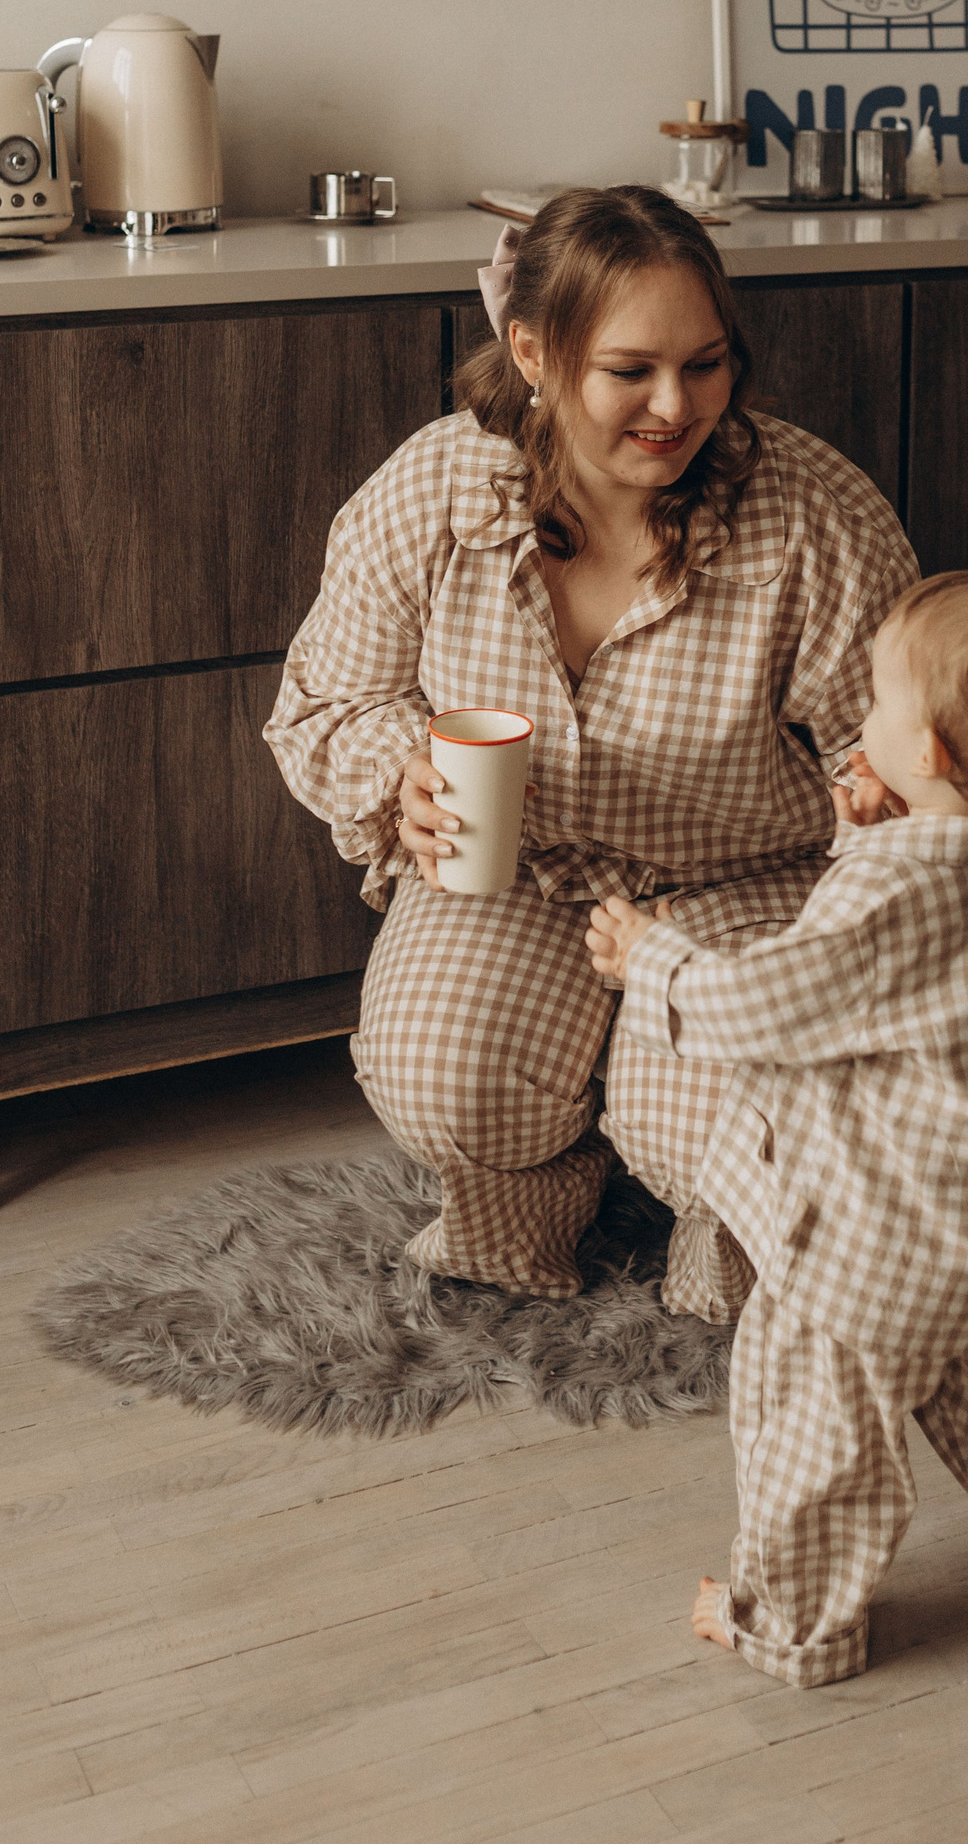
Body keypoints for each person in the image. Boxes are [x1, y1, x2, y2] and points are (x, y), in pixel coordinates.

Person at [265, 184, 918, 1316]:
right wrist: (403, 773)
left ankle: (717, 1207)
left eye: (706, 365)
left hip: (747, 881)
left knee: (738, 1128)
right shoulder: (434, 489)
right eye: (631, 371)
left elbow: (896, 754)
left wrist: (880, 816)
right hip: (520, 870)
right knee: (438, 1068)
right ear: (533, 352)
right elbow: (325, 702)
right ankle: (530, 1194)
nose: (677, 406)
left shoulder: (814, 512)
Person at [585, 569, 968, 1687]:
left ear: (931, 754)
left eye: (875, 705)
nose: (857, 721)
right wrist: (873, 821)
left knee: (814, 1447)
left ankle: (791, 1626)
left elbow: (769, 1003)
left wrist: (652, 959)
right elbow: (907, 938)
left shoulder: (890, 900)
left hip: (867, 1265)